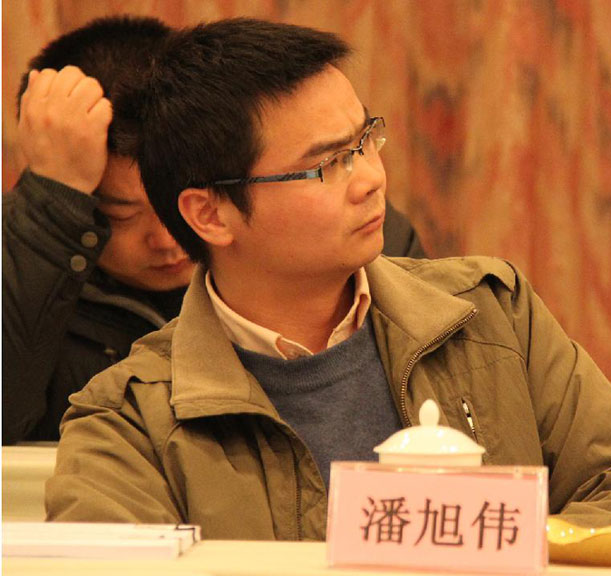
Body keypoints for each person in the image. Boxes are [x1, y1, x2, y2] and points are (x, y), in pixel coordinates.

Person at [46, 19, 611, 538]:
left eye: (364, 142)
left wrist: (495, 543)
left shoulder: (494, 314)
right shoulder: (128, 419)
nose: (372, 179)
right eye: (326, 165)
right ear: (209, 214)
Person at [2, 17, 423, 445]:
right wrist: (52, 197)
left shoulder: (339, 230)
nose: (169, 239)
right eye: (123, 215)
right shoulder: (31, 248)